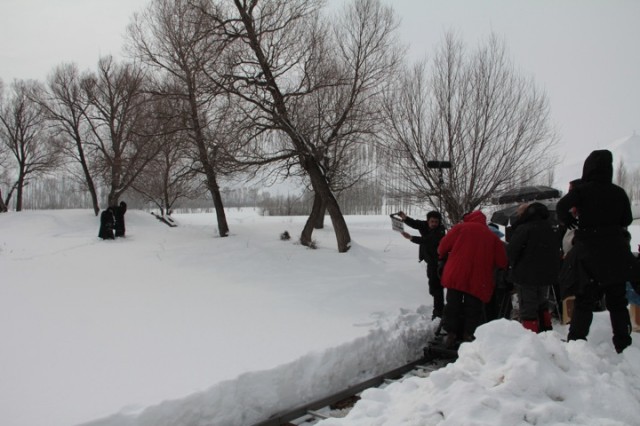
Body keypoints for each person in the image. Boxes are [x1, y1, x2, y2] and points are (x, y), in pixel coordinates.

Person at [557, 149, 636, 353]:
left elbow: (561, 206)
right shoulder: (618, 192)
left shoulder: (582, 191)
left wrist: (570, 221)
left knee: (585, 299)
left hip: (589, 251)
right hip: (615, 250)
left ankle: (576, 342)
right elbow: (627, 219)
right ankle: (623, 343)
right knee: (618, 301)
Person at [438, 210, 508, 347]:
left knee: (453, 304)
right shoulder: (492, 237)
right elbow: (502, 262)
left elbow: (442, 248)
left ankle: (451, 334)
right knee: (473, 308)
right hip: (479, 279)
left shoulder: (460, 228)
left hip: (456, 273)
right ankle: (468, 335)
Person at [507, 202, 561, 333]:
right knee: (542, 304)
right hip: (546, 274)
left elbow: (511, 251)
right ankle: (547, 330)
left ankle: (531, 335)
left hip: (526, 275)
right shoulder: (550, 227)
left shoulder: (524, 228)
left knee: (528, 307)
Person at [398, 210, 446, 319]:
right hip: (430, 261)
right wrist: (405, 218)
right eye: (432, 221)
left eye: (436, 222)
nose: (434, 224)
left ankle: (439, 311)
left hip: (438, 262)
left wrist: (411, 238)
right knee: (433, 286)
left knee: (437, 287)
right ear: (428, 221)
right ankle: (439, 307)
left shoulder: (440, 231)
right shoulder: (425, 225)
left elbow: (427, 240)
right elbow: (415, 223)